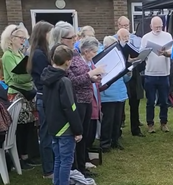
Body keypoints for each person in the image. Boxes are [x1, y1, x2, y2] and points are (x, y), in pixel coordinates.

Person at [41, 44, 83, 185]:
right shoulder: (64, 81)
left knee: (58, 159)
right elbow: (70, 107)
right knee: (66, 161)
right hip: (66, 128)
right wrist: (77, 130)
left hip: (53, 126)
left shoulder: (46, 77)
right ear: (67, 61)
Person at [1, 24, 40, 170]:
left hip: (27, 93)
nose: (23, 40)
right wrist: (31, 76)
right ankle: (17, 159)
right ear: (11, 38)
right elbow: (15, 77)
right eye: (20, 37)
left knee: (29, 127)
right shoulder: (8, 55)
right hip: (17, 94)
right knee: (20, 128)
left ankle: (26, 156)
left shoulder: (20, 54)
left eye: (25, 38)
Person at [67, 36, 104, 177]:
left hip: (88, 100)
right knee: (78, 135)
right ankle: (77, 167)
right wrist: (91, 75)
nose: (95, 55)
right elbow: (73, 81)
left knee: (85, 134)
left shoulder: (87, 61)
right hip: (79, 101)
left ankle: (82, 166)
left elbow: (85, 78)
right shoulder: (75, 61)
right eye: (94, 52)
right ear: (86, 51)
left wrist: (94, 78)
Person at [27, 21, 54, 178]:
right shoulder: (38, 54)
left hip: (45, 97)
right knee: (46, 134)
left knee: (48, 133)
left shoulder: (41, 52)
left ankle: (50, 165)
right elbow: (46, 77)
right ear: (44, 34)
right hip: (44, 98)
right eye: (50, 33)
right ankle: (48, 169)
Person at [100, 29, 132, 152]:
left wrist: (128, 73)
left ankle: (115, 140)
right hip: (108, 95)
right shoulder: (102, 61)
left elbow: (125, 79)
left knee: (118, 120)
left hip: (120, 94)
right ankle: (105, 143)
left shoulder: (119, 58)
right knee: (108, 120)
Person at [140, 16, 173, 133]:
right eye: (156, 27)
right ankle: (150, 123)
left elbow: (172, 52)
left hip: (164, 73)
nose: (158, 29)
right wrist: (148, 51)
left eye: (160, 26)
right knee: (150, 101)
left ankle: (164, 122)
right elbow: (141, 54)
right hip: (150, 73)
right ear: (151, 26)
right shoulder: (146, 38)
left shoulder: (167, 36)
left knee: (164, 100)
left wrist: (166, 53)